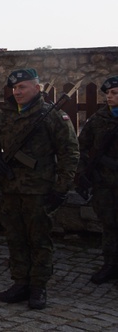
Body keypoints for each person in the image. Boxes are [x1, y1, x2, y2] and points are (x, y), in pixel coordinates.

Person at [0, 68, 79, 309]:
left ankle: (38, 287)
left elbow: (69, 152)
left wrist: (62, 188)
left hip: (39, 190)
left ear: (37, 88)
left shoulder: (52, 115)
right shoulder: (4, 115)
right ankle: (20, 282)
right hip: (10, 187)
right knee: (15, 238)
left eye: (22, 87)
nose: (17, 92)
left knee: (39, 240)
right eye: (14, 88)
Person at [78, 76, 118, 284]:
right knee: (109, 225)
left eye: (115, 93)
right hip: (104, 183)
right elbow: (82, 146)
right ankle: (110, 265)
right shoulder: (98, 119)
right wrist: (87, 171)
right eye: (108, 94)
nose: (110, 97)